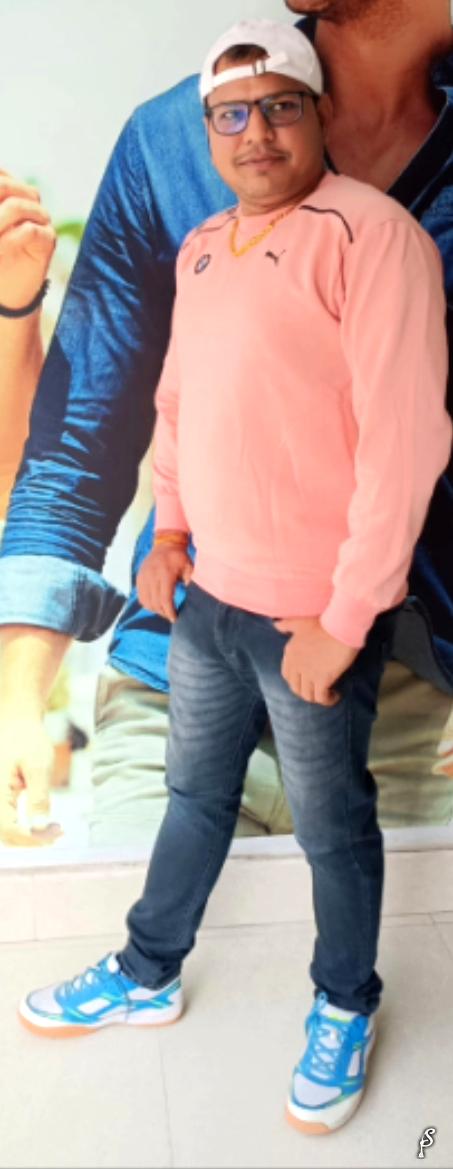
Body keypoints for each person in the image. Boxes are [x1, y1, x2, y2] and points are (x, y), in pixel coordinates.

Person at [18, 20, 452, 1141]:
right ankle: (148, 966)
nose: (255, 132)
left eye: (279, 107)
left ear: (317, 117)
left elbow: (407, 442)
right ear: (208, 132)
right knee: (192, 798)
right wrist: (168, 535)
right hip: (207, 607)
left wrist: (345, 618)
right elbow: (177, 404)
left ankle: (344, 1003)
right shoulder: (205, 244)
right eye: (230, 115)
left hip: (315, 620)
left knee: (333, 830)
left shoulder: (376, 237)